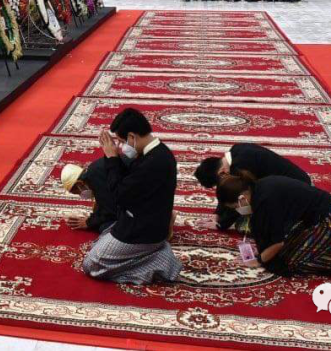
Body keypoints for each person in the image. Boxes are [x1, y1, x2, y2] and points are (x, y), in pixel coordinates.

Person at [81, 108, 182, 284]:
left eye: (121, 141)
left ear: (132, 137)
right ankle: (156, 251)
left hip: (142, 232)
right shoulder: (157, 152)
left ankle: (159, 263)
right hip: (144, 222)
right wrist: (113, 159)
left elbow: (119, 196)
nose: (120, 146)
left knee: (91, 265)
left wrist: (112, 158)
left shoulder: (153, 163)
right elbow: (129, 182)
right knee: (100, 240)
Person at [216, 175, 331, 278]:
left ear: (242, 198)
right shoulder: (259, 188)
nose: (237, 210)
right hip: (319, 216)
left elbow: (277, 242)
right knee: (286, 251)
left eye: (235, 206)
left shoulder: (265, 201)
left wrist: (258, 260)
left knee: (294, 264)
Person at [194, 143, 311, 232]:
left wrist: (221, 224)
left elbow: (239, 201)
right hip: (298, 180)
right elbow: (227, 193)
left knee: (247, 225)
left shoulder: (240, 167)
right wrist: (217, 214)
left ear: (222, 173)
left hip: (295, 192)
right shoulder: (235, 151)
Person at [61, 161, 121, 234]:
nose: (80, 195)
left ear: (79, 183)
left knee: (104, 227)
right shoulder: (94, 172)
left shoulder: (96, 180)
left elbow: (111, 211)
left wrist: (89, 223)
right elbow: (104, 202)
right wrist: (92, 219)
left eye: (77, 192)